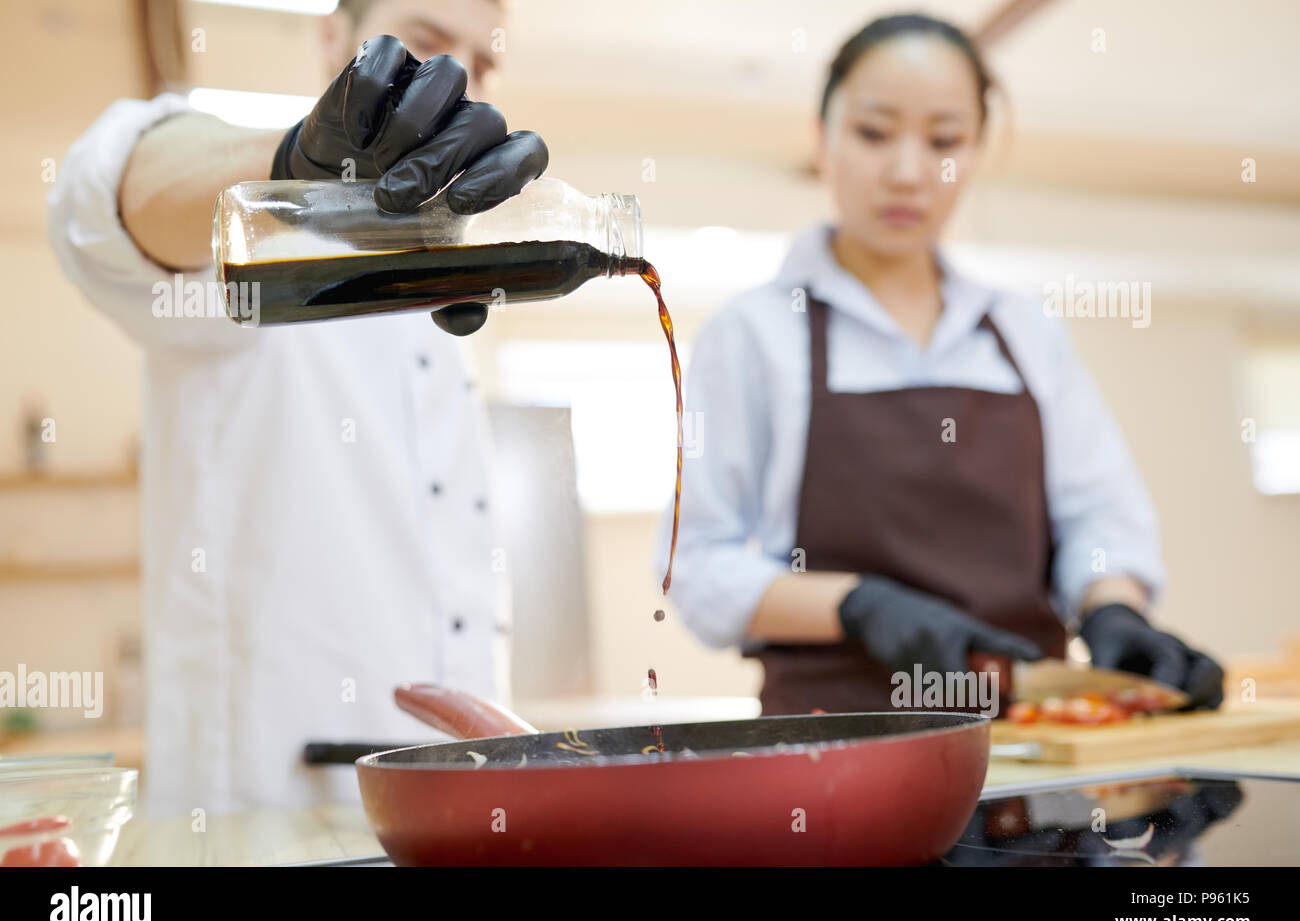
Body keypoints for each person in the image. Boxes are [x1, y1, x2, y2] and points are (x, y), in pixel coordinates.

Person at [47, 0, 547, 814]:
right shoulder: (252, 229)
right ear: (329, 38)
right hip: (265, 805)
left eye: (483, 66)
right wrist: (292, 163)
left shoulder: (451, 272)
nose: (457, 85)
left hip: (452, 808)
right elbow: (99, 207)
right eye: (425, 46)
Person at [659, 14, 1224, 716]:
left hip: (1031, 746)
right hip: (835, 750)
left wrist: (1114, 611)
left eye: (945, 141)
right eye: (873, 133)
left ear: (979, 148)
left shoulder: (1025, 331)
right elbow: (696, 566)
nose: (908, 172)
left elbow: (1100, 517)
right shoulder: (756, 332)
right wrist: (858, 605)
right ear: (821, 137)